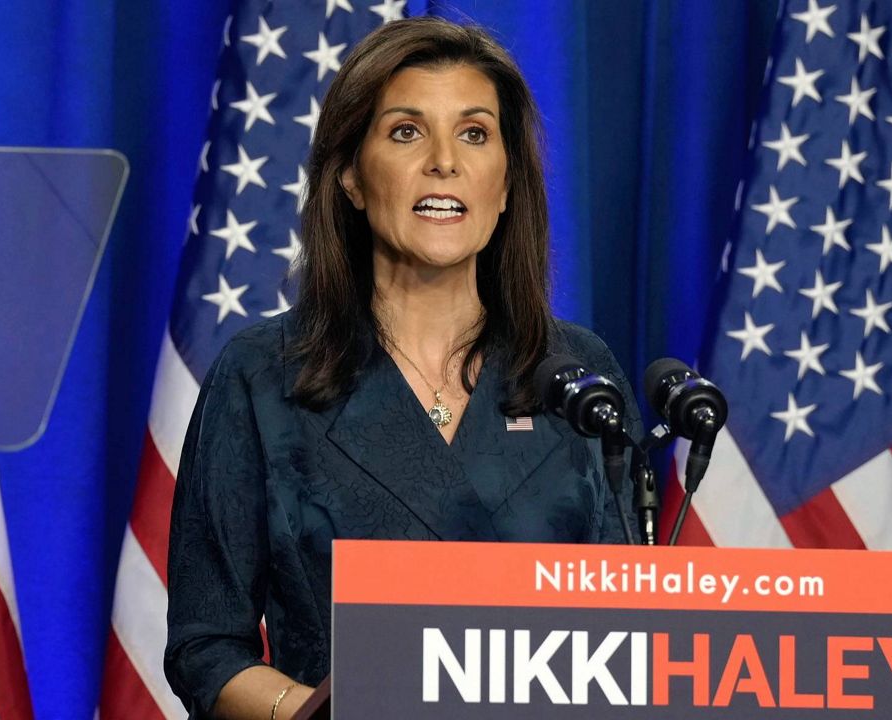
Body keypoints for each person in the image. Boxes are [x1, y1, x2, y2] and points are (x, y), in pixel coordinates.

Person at [163, 16, 639, 720]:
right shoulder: (263, 376)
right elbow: (206, 647)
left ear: (506, 184)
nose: (444, 161)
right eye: (406, 131)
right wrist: (314, 711)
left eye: (475, 133)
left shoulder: (576, 374)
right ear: (352, 176)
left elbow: (630, 637)